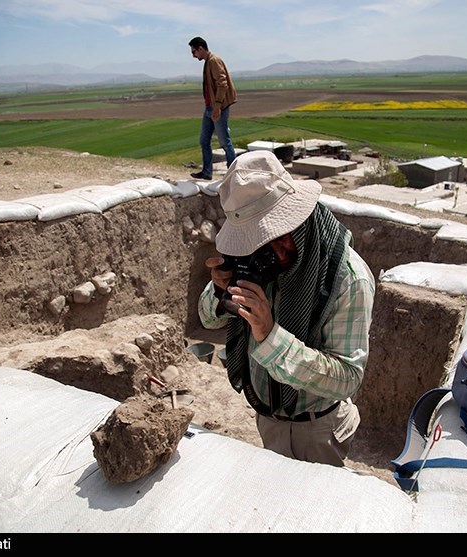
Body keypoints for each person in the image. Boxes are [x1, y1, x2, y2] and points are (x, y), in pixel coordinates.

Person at [198, 150, 376, 467]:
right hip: (267, 417)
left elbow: (348, 378)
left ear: (301, 219)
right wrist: (220, 289)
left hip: (318, 429)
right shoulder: (257, 257)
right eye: (260, 240)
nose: (273, 250)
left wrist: (269, 335)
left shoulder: (347, 279)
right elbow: (208, 319)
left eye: (279, 234)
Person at [188, 36, 237, 181]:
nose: (193, 55)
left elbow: (222, 84)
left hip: (218, 106)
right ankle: (207, 172)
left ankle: (233, 174)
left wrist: (217, 107)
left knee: (225, 142)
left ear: (200, 48)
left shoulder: (214, 61)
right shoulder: (208, 61)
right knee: (204, 141)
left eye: (194, 52)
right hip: (210, 107)